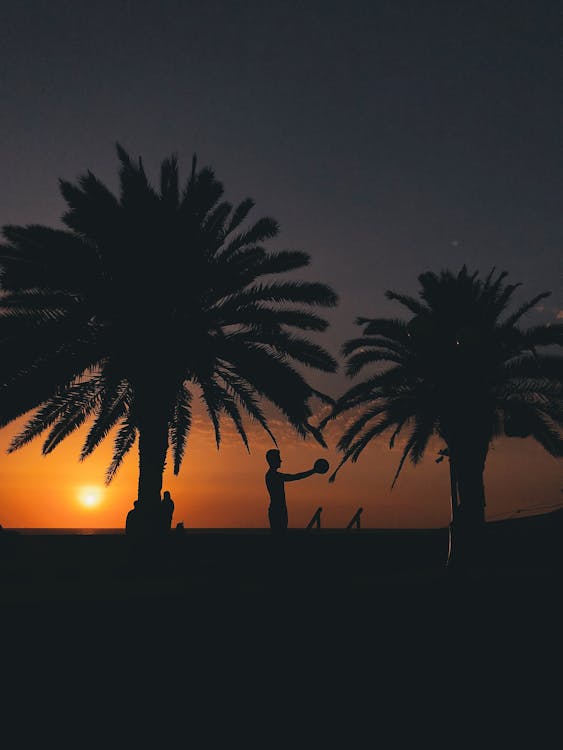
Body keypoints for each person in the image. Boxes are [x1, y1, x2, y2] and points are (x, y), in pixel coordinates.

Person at [264, 449, 320, 535]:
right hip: (277, 510)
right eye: (278, 458)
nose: (280, 460)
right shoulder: (273, 475)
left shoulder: (272, 475)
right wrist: (313, 471)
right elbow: (295, 477)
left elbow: (294, 477)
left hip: (279, 509)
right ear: (273, 460)